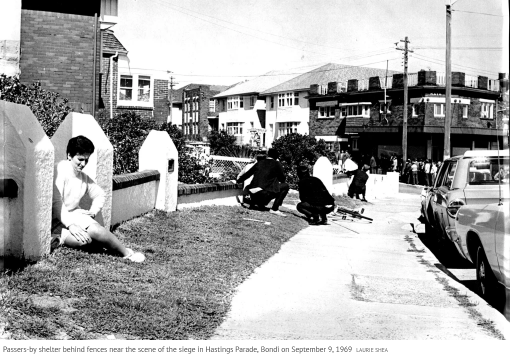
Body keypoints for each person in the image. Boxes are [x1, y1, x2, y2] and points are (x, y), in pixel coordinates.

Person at [51, 135, 145, 262]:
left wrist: (93, 211)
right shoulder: (59, 170)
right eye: (80, 159)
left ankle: (126, 253)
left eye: (86, 160)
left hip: (73, 214)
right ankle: (57, 237)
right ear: (69, 155)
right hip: (55, 219)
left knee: (96, 231)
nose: (83, 164)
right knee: (84, 242)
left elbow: (100, 194)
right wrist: (71, 225)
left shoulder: (83, 177)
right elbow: (57, 203)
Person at [236, 148, 289, 216]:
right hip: (264, 195)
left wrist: (238, 181)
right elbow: (282, 179)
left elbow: (247, 174)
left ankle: (259, 205)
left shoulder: (260, 162)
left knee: (264, 185)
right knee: (285, 186)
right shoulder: (276, 164)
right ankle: (274, 209)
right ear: (276, 156)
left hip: (253, 195)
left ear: (268, 155)